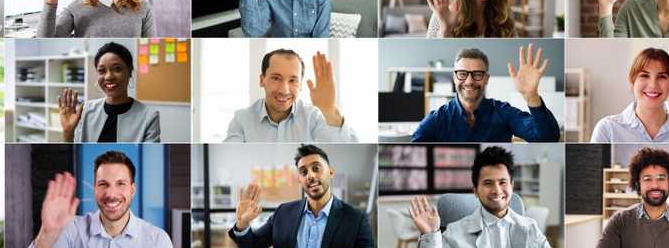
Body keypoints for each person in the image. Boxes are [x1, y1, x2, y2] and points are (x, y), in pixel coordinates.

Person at [230, 144, 375, 248]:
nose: (310, 176)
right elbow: (254, 245)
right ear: (300, 179)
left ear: (331, 172)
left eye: (316, 168)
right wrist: (242, 223)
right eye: (303, 172)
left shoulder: (356, 219)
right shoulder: (283, 213)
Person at [408, 146, 550, 248]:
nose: (497, 190)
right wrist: (431, 235)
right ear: (475, 190)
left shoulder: (530, 228)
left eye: (503, 182)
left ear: (512, 186)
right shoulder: (455, 232)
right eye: (488, 183)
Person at [412, 46, 560, 142]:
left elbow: (548, 139)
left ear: (486, 79)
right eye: (462, 74)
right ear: (454, 77)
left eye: (477, 74)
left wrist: (531, 96)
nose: (469, 81)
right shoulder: (437, 119)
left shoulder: (503, 112)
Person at [30, 152, 174, 248]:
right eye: (103, 184)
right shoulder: (70, 229)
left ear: (132, 190)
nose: (111, 194)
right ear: (94, 188)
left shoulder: (157, 240)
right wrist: (47, 234)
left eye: (121, 184)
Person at [225, 49, 358, 142]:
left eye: (293, 80)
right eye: (276, 78)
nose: (284, 90)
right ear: (262, 80)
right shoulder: (241, 120)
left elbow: (351, 150)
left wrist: (329, 111)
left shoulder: (313, 117)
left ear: (300, 85)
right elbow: (230, 157)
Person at [57, 42, 160, 142]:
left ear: (130, 72)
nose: (109, 76)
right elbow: (75, 150)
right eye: (102, 71)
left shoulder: (149, 117)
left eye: (117, 69)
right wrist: (68, 132)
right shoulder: (85, 111)